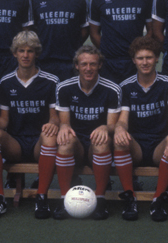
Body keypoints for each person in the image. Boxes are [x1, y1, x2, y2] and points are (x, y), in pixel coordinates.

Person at [0, 30, 60, 220]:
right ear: (14, 53)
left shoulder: (51, 81)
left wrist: (53, 124)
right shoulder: (6, 82)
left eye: (30, 51)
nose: (25, 55)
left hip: (38, 144)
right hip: (15, 144)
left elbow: (55, 117)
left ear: (37, 53)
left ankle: (41, 197)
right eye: (21, 51)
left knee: (50, 136)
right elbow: (4, 119)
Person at [114, 37, 168, 222]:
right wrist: (119, 129)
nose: (145, 62)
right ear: (133, 60)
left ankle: (158, 198)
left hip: (159, 146)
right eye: (140, 58)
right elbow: (122, 120)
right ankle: (130, 197)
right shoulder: (126, 86)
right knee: (119, 139)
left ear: (157, 59)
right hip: (136, 146)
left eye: (149, 57)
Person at [55, 45, 122, 220]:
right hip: (76, 143)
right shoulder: (64, 88)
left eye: (93, 64)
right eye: (84, 64)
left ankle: (100, 199)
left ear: (100, 65)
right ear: (76, 65)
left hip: (95, 144)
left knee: (102, 141)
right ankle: (64, 199)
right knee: (64, 140)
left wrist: (104, 127)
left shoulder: (112, 89)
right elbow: (64, 122)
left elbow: (113, 126)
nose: (88, 68)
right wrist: (63, 127)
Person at [32, 0, 89, 81]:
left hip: (70, 64)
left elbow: (85, 30)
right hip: (43, 63)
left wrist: (72, 45)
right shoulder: (37, 0)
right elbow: (32, 30)